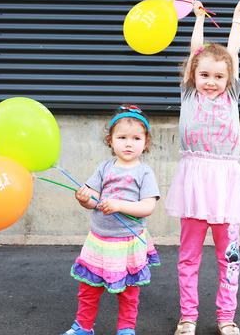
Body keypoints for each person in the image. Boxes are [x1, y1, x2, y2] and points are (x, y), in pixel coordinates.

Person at [165, 0, 240, 335]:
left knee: (228, 257)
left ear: (229, 78)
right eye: (204, 75)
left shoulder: (230, 94)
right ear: (193, 74)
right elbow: (196, 51)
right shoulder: (190, 94)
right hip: (193, 183)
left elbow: (232, 51)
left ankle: (226, 317)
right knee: (188, 256)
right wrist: (198, 20)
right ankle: (188, 316)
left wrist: (236, 19)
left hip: (225, 184)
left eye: (218, 75)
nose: (211, 81)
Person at [61, 104, 161, 335]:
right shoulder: (104, 167)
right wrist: (82, 197)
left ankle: (126, 328)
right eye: (122, 137)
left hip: (127, 242)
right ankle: (83, 327)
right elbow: (91, 199)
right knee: (88, 288)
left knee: (128, 291)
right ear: (110, 141)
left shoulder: (144, 173)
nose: (128, 143)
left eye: (136, 138)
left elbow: (148, 206)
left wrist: (119, 205)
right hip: (99, 241)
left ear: (145, 143)